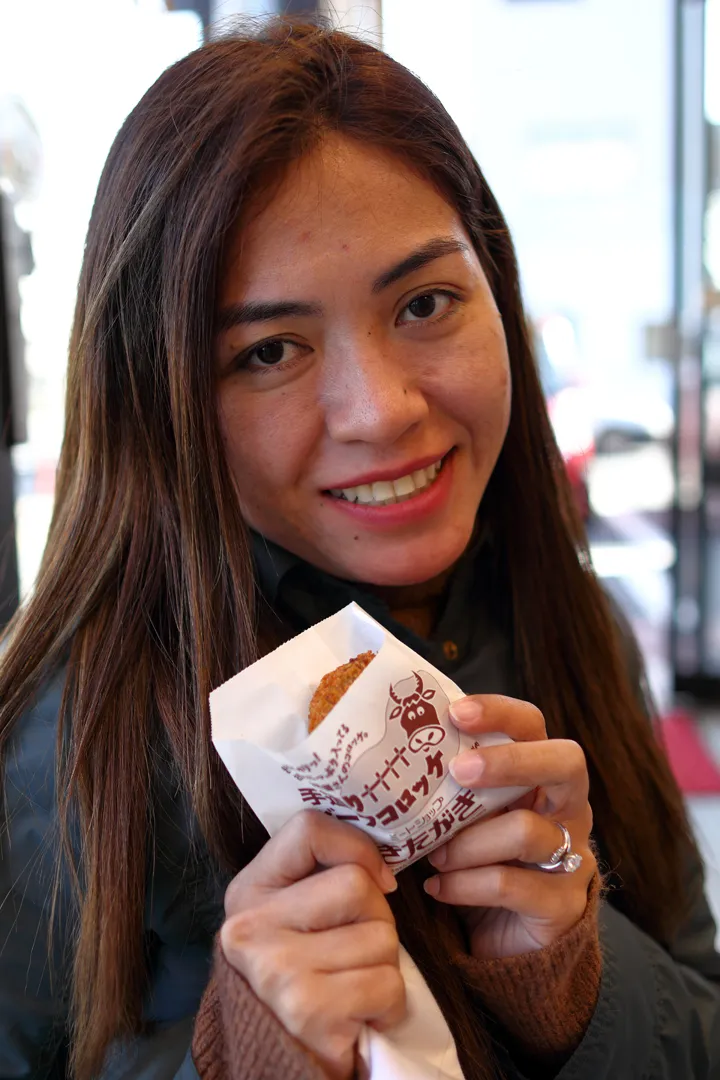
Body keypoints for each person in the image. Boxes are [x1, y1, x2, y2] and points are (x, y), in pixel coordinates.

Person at [0, 17, 718, 1080]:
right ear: (161, 399)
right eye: (269, 350)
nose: (381, 411)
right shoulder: (65, 747)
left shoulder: (572, 621)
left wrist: (574, 980)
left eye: (425, 302)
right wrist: (241, 1060)